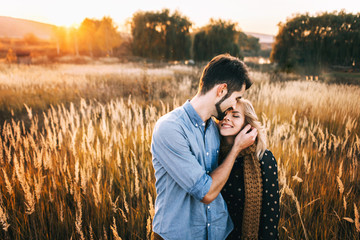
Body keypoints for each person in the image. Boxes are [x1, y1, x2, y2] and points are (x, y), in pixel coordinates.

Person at [151, 54, 257, 240]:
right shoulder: (171, 128)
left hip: (220, 232)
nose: (235, 105)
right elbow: (206, 193)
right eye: (236, 97)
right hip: (178, 235)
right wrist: (236, 149)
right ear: (222, 90)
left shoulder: (216, 128)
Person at [218, 99, 280, 240]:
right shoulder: (213, 156)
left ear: (247, 126)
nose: (226, 117)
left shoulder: (263, 158)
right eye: (224, 113)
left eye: (235, 115)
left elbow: (270, 215)